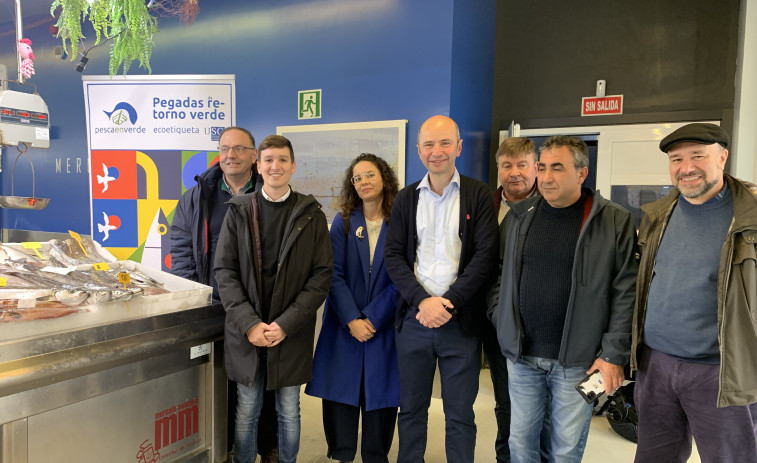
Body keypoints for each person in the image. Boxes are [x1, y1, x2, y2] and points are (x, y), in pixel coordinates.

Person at [488, 135, 638, 463]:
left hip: (580, 361)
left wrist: (613, 354)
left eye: (558, 168)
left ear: (581, 174)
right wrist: (501, 317)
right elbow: (498, 273)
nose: (547, 177)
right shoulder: (520, 215)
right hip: (523, 356)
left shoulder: (612, 220)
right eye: (542, 167)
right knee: (521, 442)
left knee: (565, 448)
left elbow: (626, 291)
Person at [631, 123, 757, 463]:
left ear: (722, 157)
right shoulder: (658, 215)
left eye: (698, 156)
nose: (686, 168)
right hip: (655, 366)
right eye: (676, 159)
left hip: (721, 373)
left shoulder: (751, 218)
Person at [384, 115, 498, 463]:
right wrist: (422, 302)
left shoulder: (478, 196)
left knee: (461, 414)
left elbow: (485, 257)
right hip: (414, 322)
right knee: (412, 410)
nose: (437, 152)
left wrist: (446, 303)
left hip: (460, 324)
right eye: (429, 145)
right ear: (419, 151)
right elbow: (393, 256)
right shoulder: (405, 199)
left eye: (445, 143)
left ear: (459, 147)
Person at [214, 134, 333, 463]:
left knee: (288, 411)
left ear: (293, 166)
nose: (275, 166)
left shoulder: (311, 215)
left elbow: (321, 276)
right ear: (258, 165)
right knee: (247, 409)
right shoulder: (238, 212)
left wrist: (285, 324)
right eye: (268, 160)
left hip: (290, 331)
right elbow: (225, 271)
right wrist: (250, 324)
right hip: (246, 331)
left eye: (282, 160)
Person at [169, 126, 279, 463]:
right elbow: (181, 246)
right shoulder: (198, 196)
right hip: (214, 306)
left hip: (260, 309)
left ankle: (268, 446)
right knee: (223, 384)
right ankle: (227, 448)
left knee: (265, 383)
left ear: (253, 156)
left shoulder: (271, 192)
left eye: (239, 149)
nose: (230, 155)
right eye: (224, 149)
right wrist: (194, 294)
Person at [306, 153, 401, 463]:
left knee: (381, 399)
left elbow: (404, 275)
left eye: (369, 175)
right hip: (344, 328)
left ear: (384, 178)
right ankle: (342, 454)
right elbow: (332, 273)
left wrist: (373, 317)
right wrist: (352, 319)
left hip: (383, 327)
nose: (363, 182)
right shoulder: (344, 222)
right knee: (342, 399)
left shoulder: (401, 221)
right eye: (357, 178)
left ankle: (376, 455)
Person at [483, 137, 541, 463]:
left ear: (536, 167)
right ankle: (505, 457)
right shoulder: (484, 205)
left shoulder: (550, 208)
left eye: (522, 165)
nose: (514, 173)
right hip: (491, 321)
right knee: (505, 397)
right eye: (507, 165)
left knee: (532, 401)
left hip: (533, 325)